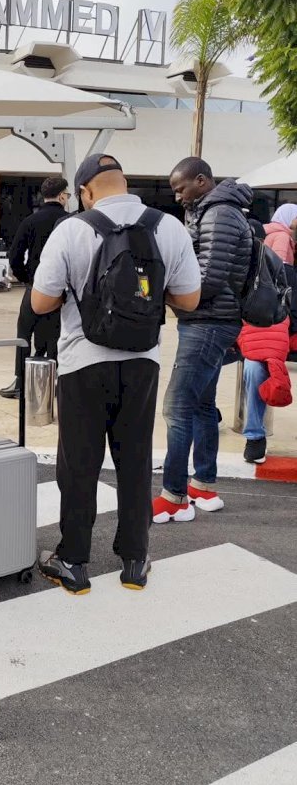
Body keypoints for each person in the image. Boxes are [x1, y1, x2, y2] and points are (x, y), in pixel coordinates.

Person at [32, 154, 200, 593]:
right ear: (124, 183)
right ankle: (135, 560)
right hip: (143, 361)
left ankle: (72, 561)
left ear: (86, 190)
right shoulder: (169, 227)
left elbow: (40, 303)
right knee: (135, 458)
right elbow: (190, 300)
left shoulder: (71, 229)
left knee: (79, 464)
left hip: (83, 362)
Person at [153, 157, 252, 524]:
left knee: (176, 408)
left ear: (201, 180)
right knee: (201, 406)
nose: (178, 196)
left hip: (208, 322)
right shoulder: (212, 211)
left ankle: (174, 496)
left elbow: (207, 279)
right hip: (213, 320)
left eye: (181, 188)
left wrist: (161, 293)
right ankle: (203, 486)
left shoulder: (218, 215)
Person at [0, 176, 70, 400]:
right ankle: (57, 385)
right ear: (61, 196)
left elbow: (14, 257)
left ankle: (20, 381)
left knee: (24, 333)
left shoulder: (30, 221)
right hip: (63, 291)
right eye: (67, 195)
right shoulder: (71, 222)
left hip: (35, 287)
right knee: (56, 336)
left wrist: (28, 278)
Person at [240, 202, 297, 463]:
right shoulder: (239, 268)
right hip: (240, 335)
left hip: (273, 333)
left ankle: (254, 435)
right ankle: (210, 413)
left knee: (254, 369)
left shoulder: (282, 269)